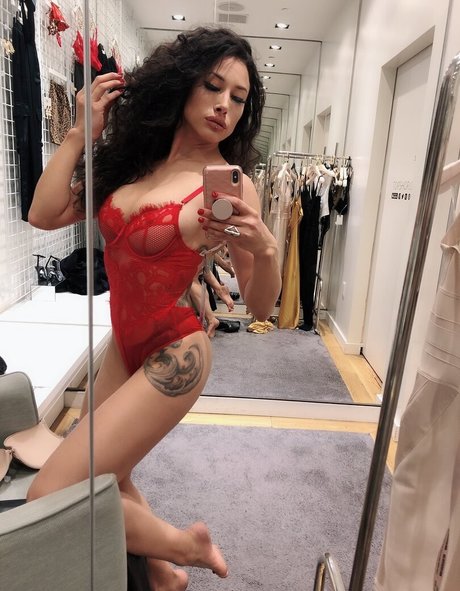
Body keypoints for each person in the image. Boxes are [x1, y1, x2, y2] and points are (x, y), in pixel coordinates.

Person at [27, 26, 281, 591]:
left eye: (239, 98)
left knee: (51, 491)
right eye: (213, 86)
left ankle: (184, 546)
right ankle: (164, 576)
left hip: (175, 351)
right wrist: (80, 135)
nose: (224, 105)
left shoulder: (232, 186)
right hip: (123, 345)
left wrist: (265, 250)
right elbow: (43, 214)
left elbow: (262, 305)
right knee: (109, 477)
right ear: (182, 84)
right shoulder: (131, 162)